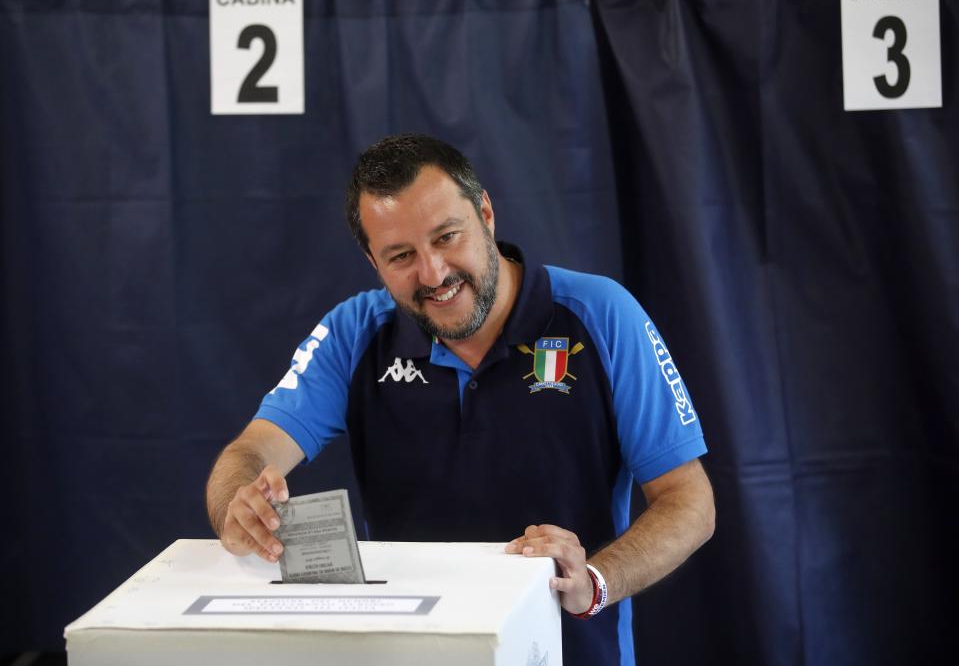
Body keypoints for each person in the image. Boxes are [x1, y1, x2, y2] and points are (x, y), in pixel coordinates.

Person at [205, 134, 715, 665]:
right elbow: (251, 452)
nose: (434, 273)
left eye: (447, 237)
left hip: (573, 652)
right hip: (410, 654)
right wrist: (238, 505)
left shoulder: (602, 313)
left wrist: (596, 580)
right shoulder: (353, 334)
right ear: (372, 260)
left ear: (487, 214)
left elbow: (690, 502)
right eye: (401, 255)